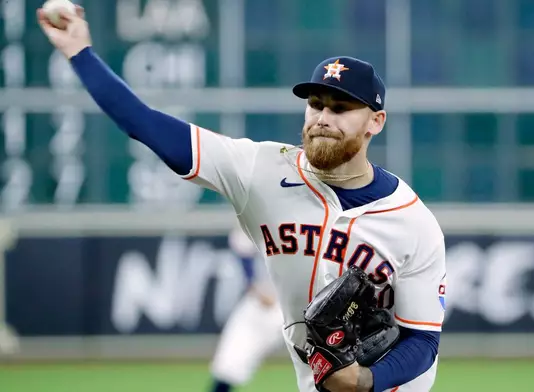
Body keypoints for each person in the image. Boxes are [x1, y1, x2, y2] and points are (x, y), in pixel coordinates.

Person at [38, 7, 447, 392]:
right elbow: (145, 124)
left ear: (376, 121)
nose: (323, 117)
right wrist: (79, 52)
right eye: (315, 104)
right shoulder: (260, 170)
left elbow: (423, 340)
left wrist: (364, 380)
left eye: (340, 108)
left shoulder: (411, 222)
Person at [209, 226, 284, 392]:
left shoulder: (304, 216)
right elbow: (242, 248)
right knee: (228, 365)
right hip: (262, 304)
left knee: (323, 366)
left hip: (301, 303)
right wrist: (256, 287)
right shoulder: (250, 220)